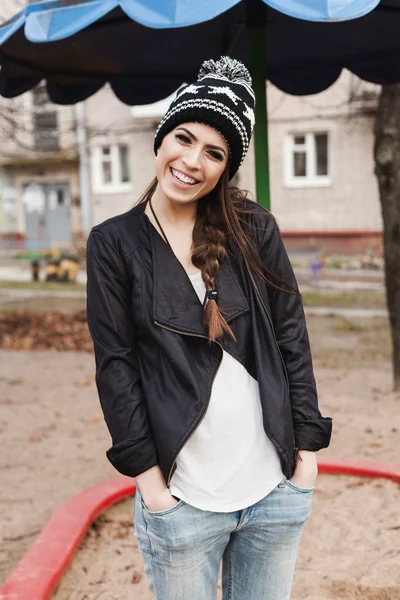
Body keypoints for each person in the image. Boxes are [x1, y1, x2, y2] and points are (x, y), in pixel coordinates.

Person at [86, 56, 332, 600]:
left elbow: (293, 337)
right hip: (182, 502)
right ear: (161, 136)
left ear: (226, 167)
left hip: (274, 491)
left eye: (214, 153)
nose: (192, 161)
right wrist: (153, 490)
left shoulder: (254, 230)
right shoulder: (114, 244)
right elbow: (116, 368)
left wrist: (306, 461)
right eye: (184, 137)